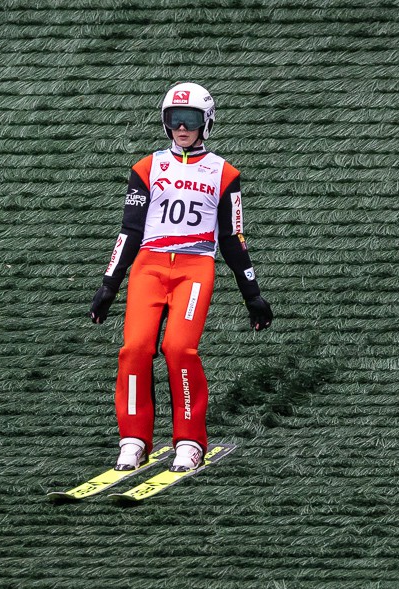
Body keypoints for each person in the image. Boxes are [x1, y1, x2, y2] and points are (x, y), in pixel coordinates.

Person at [89, 82, 273, 473]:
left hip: (194, 268)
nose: (182, 128)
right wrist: (109, 284)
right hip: (149, 266)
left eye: (190, 120)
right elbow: (129, 231)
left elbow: (233, 238)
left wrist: (252, 293)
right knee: (135, 348)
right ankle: (134, 439)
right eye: (174, 119)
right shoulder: (146, 167)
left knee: (178, 348)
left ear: (207, 122)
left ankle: (189, 442)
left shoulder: (224, 173)